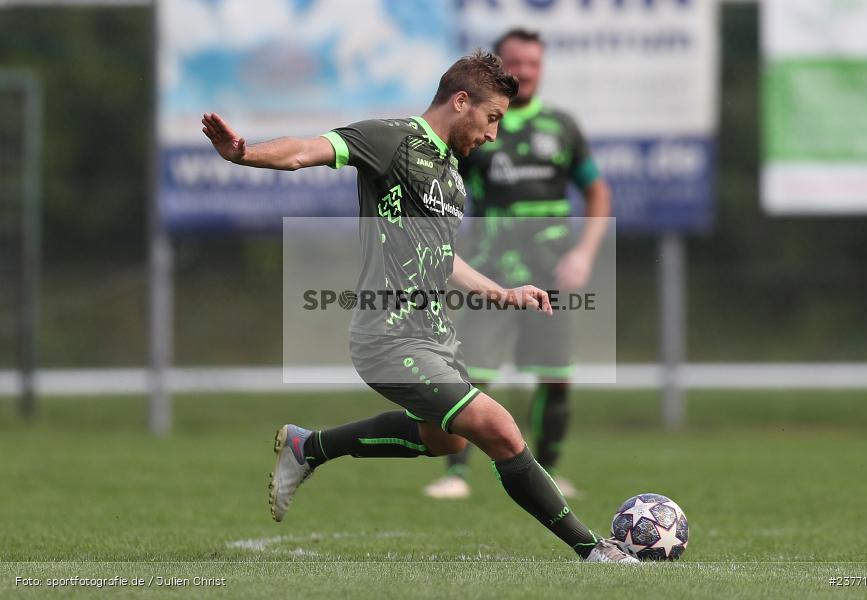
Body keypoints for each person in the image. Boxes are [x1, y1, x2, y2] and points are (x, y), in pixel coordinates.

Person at [202, 50, 635, 564]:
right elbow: (303, 151)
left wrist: (503, 292)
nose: (493, 133)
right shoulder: (391, 140)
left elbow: (443, 257)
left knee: (448, 442)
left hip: (436, 336)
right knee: (500, 428)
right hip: (387, 336)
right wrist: (243, 154)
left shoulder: (452, 175)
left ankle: (308, 447)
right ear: (461, 101)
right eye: (492, 117)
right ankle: (594, 550)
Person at [424, 30, 611, 500]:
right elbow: (444, 189)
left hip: (551, 272)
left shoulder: (561, 127)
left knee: (556, 374)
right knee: (471, 372)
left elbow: (597, 192)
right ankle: (456, 473)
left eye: (533, 63)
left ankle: (549, 473)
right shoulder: (479, 125)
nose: (525, 72)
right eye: (516, 64)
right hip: (491, 270)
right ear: (500, 69)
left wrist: (583, 253)